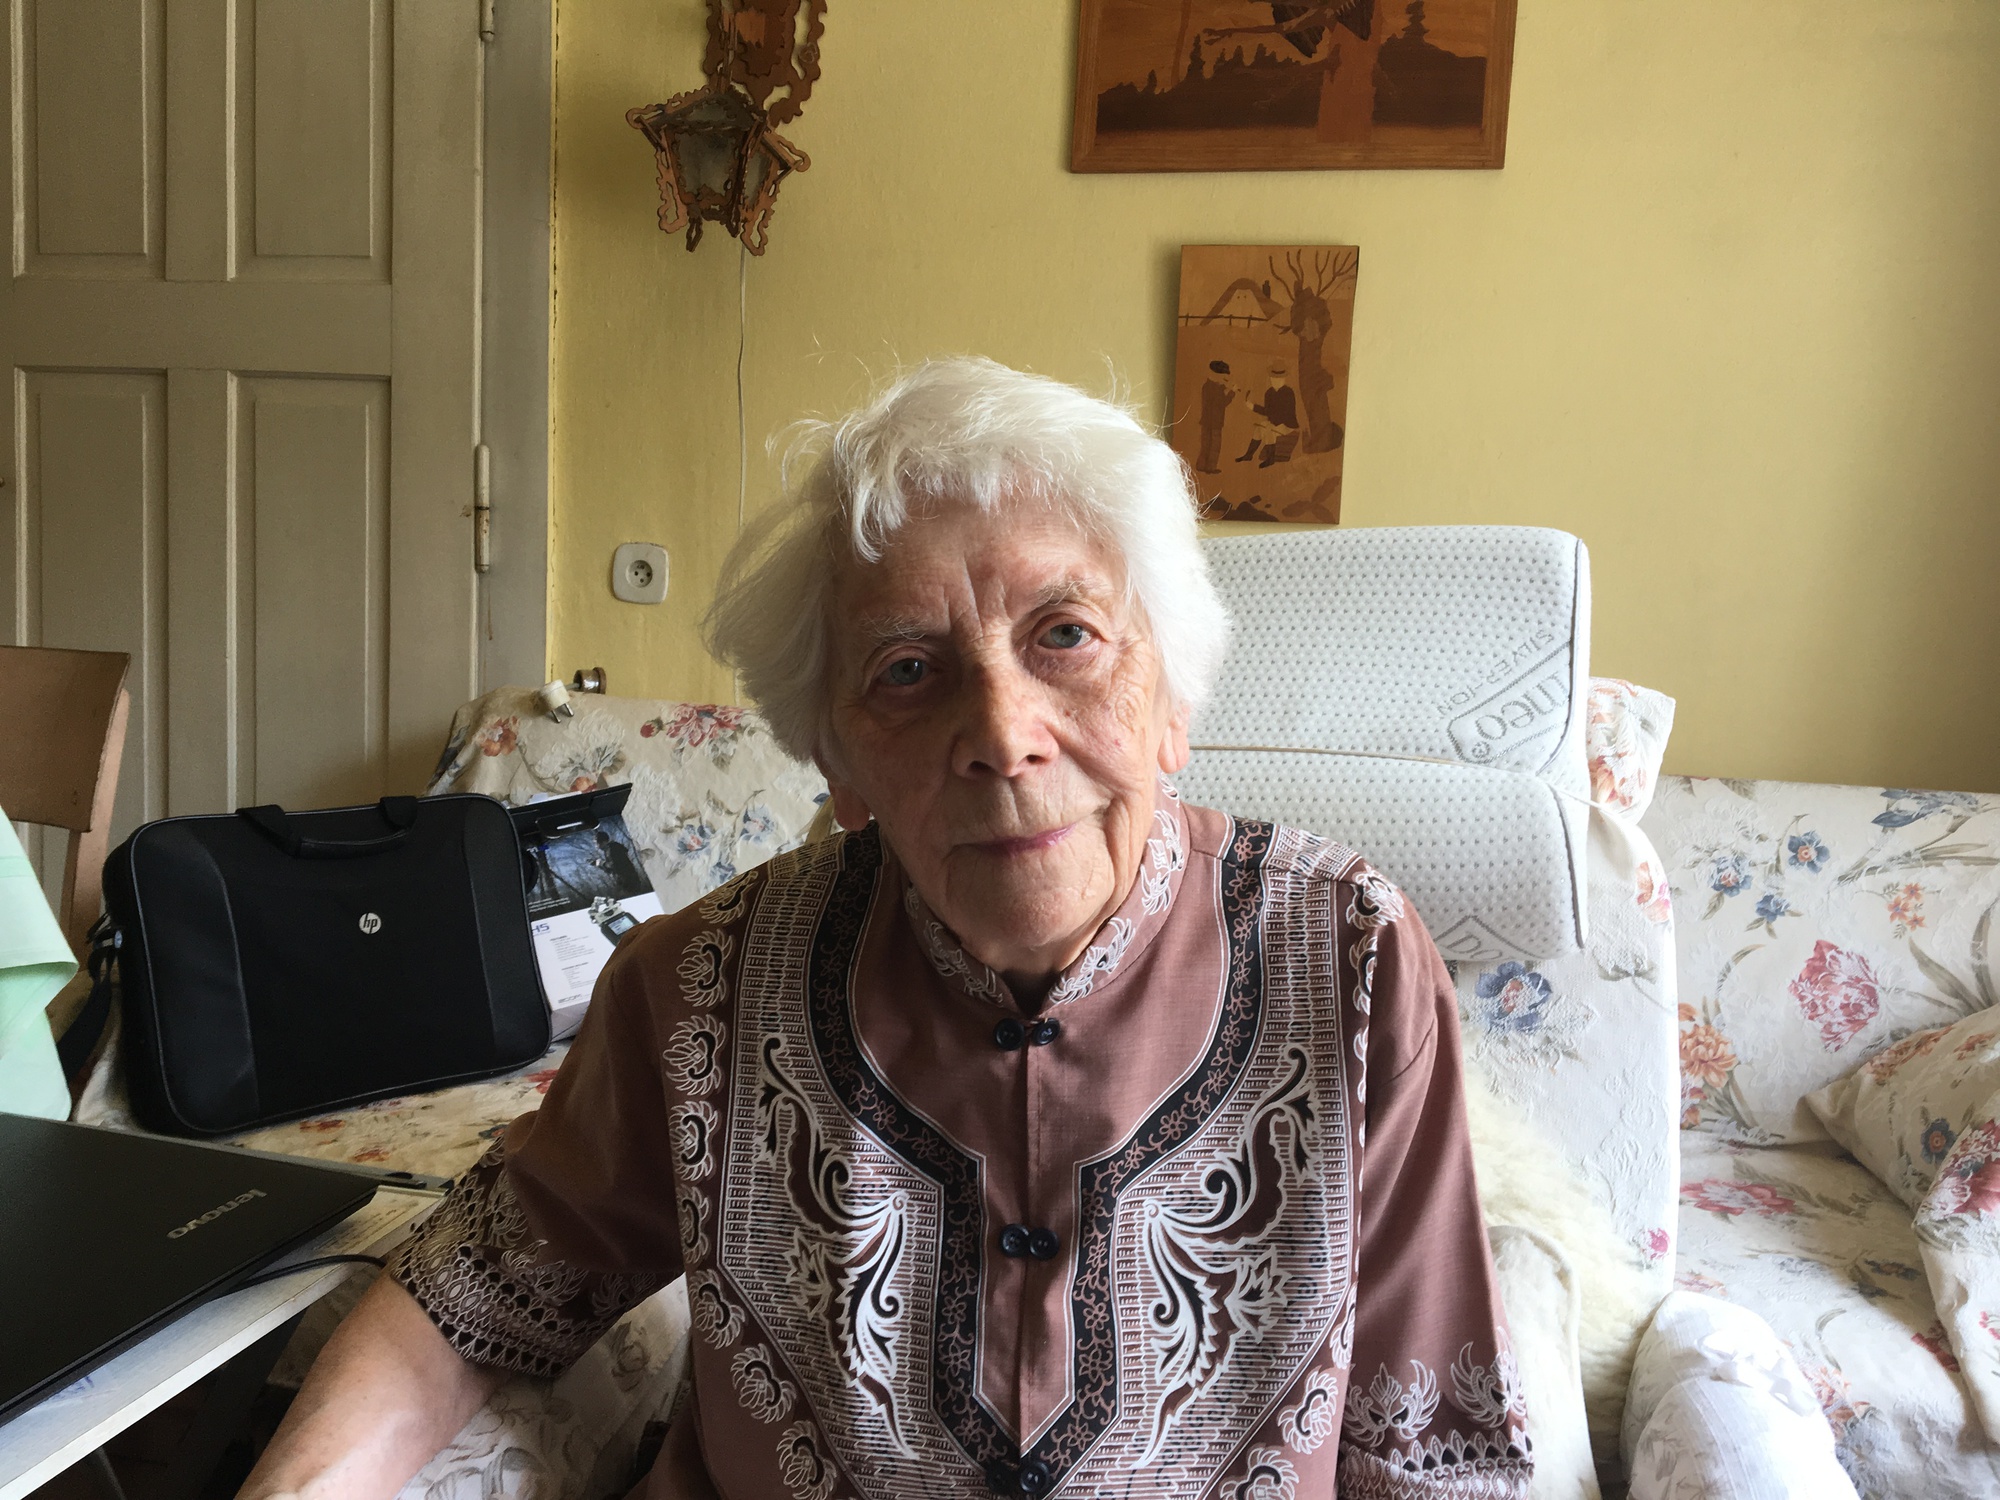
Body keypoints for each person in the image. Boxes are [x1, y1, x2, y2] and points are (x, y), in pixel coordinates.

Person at [239, 358, 1529, 1500]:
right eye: (906, 670)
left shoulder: (1348, 955)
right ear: (839, 766)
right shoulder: (696, 991)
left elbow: (1428, 1452)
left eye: (1065, 636)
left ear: (1170, 700)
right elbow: (470, 1297)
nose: (1002, 736)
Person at [1194, 359, 1235, 473]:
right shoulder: (1216, 388)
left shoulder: (1207, 386)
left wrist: (1225, 388)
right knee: (1214, 445)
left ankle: (1201, 465)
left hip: (1206, 420)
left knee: (1205, 444)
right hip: (1216, 421)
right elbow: (1222, 402)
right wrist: (1231, 393)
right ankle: (1210, 467)